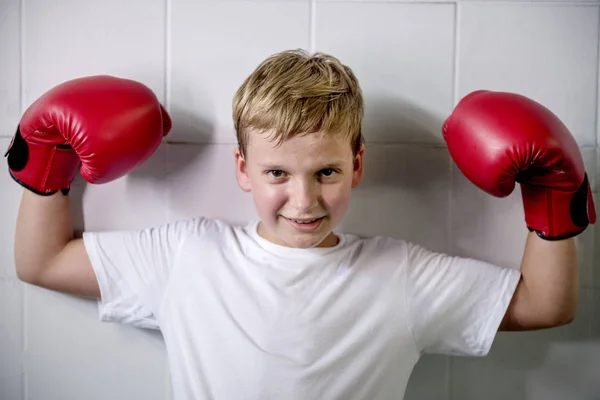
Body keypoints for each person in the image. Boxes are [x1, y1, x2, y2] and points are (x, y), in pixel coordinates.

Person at [7, 49, 595, 400]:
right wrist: (44, 162)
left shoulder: (401, 274)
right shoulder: (188, 255)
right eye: (277, 173)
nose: (304, 198)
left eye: (328, 171)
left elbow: (546, 305)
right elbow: (42, 262)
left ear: (359, 163)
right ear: (242, 168)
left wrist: (552, 196)